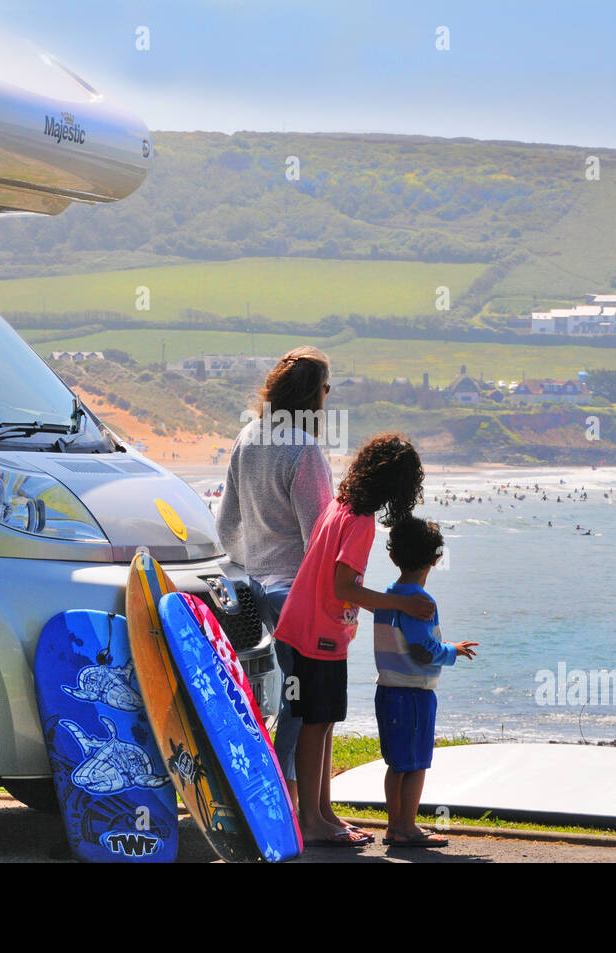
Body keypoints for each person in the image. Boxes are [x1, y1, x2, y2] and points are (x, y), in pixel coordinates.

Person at [274, 433, 434, 846]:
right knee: (315, 724)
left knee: (323, 723)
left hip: (312, 630)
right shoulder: (361, 523)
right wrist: (398, 607)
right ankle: (310, 820)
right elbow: (344, 585)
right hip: (316, 636)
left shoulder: (340, 507)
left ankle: (323, 813)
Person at [215, 346, 334, 813]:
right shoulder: (303, 449)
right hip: (299, 593)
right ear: (313, 394)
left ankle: (302, 800)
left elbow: (226, 522)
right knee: (308, 703)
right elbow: (321, 540)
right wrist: (332, 602)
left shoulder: (248, 437)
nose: (328, 396)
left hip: (260, 585)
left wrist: (251, 567)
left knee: (292, 696)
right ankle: (290, 797)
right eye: (326, 388)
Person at [373, 516, 477, 847]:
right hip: (413, 693)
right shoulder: (420, 602)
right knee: (416, 763)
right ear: (436, 558)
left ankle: (394, 825)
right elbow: (422, 651)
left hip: (387, 690)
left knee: (396, 763)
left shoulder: (385, 598)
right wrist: (453, 651)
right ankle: (407, 827)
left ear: (393, 556)